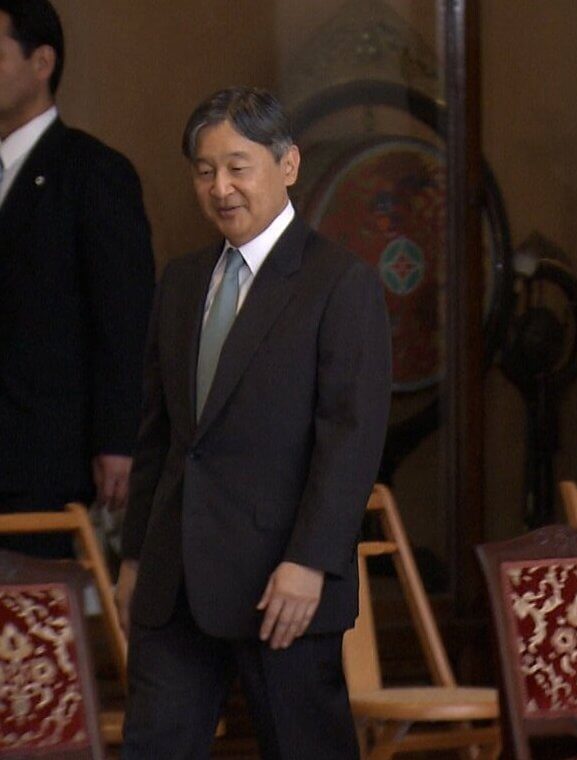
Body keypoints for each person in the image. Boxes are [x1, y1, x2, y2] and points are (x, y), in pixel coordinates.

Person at [116, 87, 391, 759]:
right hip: (175, 578)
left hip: (282, 583)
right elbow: (159, 436)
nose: (221, 187)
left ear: (287, 164)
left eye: (238, 166)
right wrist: (133, 557)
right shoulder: (181, 282)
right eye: (205, 170)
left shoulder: (338, 283)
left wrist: (311, 561)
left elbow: (349, 441)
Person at [0, 0, 154, 557]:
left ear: (42, 62)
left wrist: (119, 439)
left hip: (47, 456)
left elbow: (125, 315)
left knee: (36, 625)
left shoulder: (92, 172)